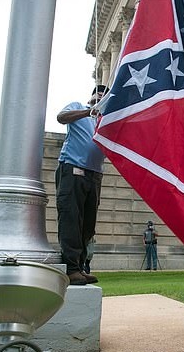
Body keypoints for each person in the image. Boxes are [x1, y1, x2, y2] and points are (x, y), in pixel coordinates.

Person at [55, 84, 107, 286]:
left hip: (95, 175)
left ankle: (80, 266)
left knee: (88, 224)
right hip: (73, 169)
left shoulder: (106, 120)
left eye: (104, 95)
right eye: (98, 94)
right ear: (91, 97)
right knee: (71, 218)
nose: (100, 97)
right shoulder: (78, 107)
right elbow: (61, 117)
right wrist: (89, 111)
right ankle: (71, 268)